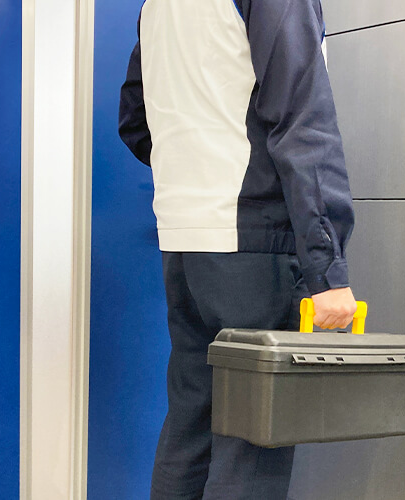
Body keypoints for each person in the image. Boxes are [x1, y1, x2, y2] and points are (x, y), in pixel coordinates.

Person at [118, 0, 357, 498]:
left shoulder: (156, 5)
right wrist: (328, 269)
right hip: (254, 247)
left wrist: (195, 176)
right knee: (252, 445)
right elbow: (302, 121)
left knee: (190, 429)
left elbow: (135, 120)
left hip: (186, 244)